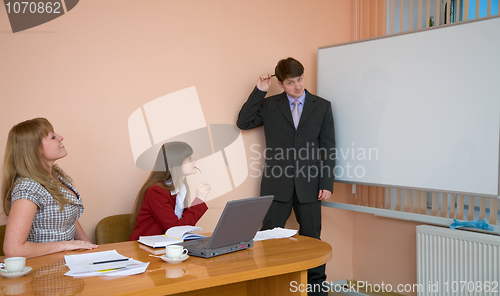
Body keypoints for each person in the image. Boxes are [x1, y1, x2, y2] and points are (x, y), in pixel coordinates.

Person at [237, 57, 335, 295]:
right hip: (276, 183)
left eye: (300, 79)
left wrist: (326, 182)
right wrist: (260, 91)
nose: (297, 86)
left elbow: (328, 148)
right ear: (280, 83)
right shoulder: (270, 106)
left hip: (311, 185)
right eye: (291, 82)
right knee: (269, 238)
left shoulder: (321, 106)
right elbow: (244, 122)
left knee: (312, 239)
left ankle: (315, 289)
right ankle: (272, 286)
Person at [2, 118, 98, 258]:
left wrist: (89, 248)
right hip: (45, 271)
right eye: (53, 137)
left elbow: (68, 217)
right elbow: (13, 250)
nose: (60, 137)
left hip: (69, 265)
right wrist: (66, 245)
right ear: (36, 149)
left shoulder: (56, 175)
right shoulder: (28, 188)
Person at [129, 141, 209, 241]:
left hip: (168, 245)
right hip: (147, 247)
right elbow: (174, 229)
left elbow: (183, 223)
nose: (195, 161)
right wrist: (199, 202)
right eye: (189, 158)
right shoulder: (155, 191)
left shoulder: (181, 188)